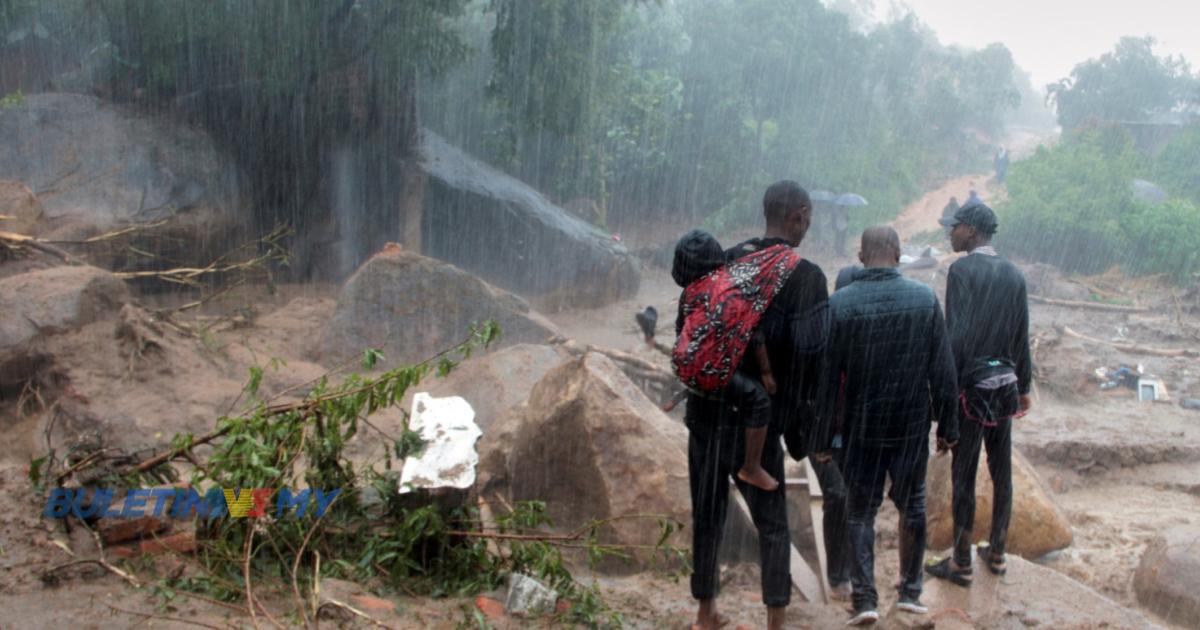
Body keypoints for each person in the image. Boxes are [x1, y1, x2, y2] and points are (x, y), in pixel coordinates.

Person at [686, 180, 828, 630]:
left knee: (707, 514)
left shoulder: (727, 260)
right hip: (758, 423)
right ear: (799, 216)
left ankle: (706, 613)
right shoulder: (805, 276)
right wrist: (802, 429)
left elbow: (696, 323)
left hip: (708, 408)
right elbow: (812, 360)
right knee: (772, 522)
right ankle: (775, 621)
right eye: (807, 220)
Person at [812, 226, 959, 625]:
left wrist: (822, 437)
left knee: (860, 512)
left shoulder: (840, 304)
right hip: (911, 426)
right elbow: (943, 372)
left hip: (862, 428)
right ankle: (911, 592)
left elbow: (828, 381)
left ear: (861, 257)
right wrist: (948, 427)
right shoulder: (924, 299)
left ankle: (865, 601)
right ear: (898, 253)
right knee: (912, 505)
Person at [927, 202, 1032, 586]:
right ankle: (998, 552)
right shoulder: (1014, 274)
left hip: (970, 389)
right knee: (1001, 470)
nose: (949, 233)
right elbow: (1021, 335)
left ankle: (960, 560)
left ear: (971, 230)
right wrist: (1025, 387)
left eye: (953, 227)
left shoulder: (961, 270)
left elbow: (958, 337)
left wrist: (945, 398)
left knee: (964, 473)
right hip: (1004, 385)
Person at [670, 229, 781, 492]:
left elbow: (680, 331)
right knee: (759, 402)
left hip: (687, 369)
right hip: (717, 376)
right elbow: (754, 334)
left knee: (708, 497)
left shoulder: (689, 293)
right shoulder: (733, 288)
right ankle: (751, 467)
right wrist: (766, 371)